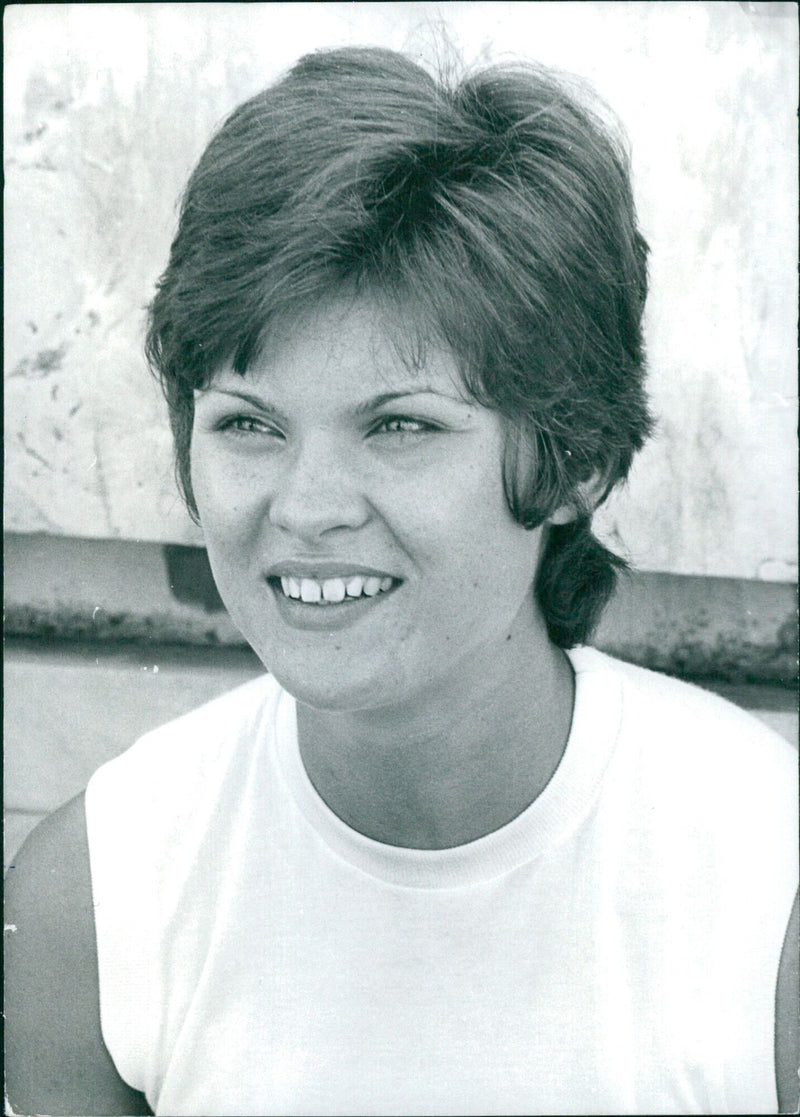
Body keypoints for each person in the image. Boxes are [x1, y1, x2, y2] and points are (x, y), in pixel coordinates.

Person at [5, 46, 797, 1117]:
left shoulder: (767, 883)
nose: (304, 505)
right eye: (248, 424)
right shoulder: (95, 899)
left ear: (573, 460)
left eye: (399, 425)